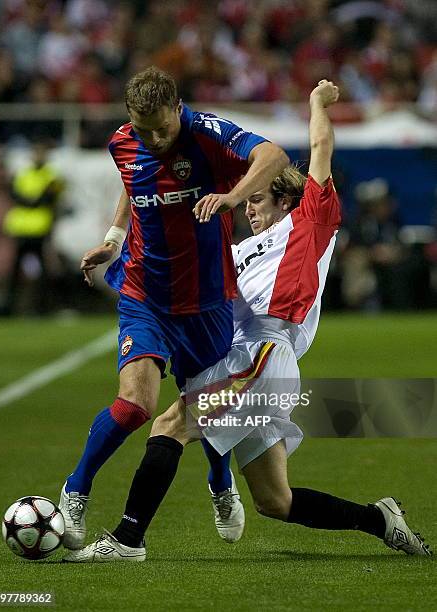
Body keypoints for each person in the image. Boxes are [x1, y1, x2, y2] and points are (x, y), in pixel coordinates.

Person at [64, 80, 431, 562]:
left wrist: (317, 103)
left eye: (258, 201)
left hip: (264, 356)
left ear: (283, 200)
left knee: (170, 425)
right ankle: (378, 519)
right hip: (248, 360)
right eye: (249, 202)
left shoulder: (309, 225)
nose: (250, 210)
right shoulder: (238, 253)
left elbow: (319, 149)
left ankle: (127, 540)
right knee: (275, 501)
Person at [59, 66, 289, 549]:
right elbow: (134, 182)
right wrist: (114, 239)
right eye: (145, 130)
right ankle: (76, 489)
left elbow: (274, 155)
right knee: (135, 405)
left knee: (202, 408)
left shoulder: (207, 135)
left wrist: (232, 196)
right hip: (145, 295)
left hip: (206, 301)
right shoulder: (123, 141)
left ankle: (220, 483)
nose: (155, 138)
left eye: (163, 127)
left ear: (177, 108)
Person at [0, 141, 63, 316]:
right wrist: (34, 200)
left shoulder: (53, 176)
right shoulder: (24, 174)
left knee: (43, 273)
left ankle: (41, 307)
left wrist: (30, 200)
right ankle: (9, 307)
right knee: (15, 272)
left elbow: (46, 199)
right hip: (22, 228)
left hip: (40, 229)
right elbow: (16, 195)